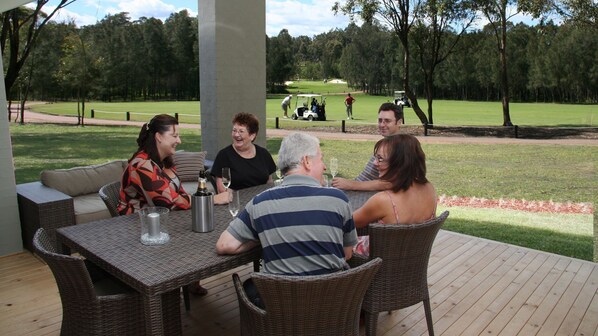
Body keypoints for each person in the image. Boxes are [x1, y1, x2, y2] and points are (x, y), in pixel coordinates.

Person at [216, 132, 357, 306]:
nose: (325, 167)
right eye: (321, 159)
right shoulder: (338, 199)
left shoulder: (260, 203)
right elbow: (347, 253)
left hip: (281, 308)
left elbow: (225, 245)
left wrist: (263, 234)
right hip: (331, 305)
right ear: (306, 161)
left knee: (250, 287)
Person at [117, 114, 230, 295]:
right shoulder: (142, 164)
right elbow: (168, 202)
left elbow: (180, 195)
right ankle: (170, 283)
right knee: (195, 234)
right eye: (175, 135)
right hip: (139, 225)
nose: (179, 140)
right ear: (159, 137)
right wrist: (212, 199)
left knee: (201, 231)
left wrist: (198, 201)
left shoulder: (165, 162)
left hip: (164, 217)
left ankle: (191, 278)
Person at [352, 134, 437, 256]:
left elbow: (348, 222)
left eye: (380, 159)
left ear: (399, 163)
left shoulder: (384, 200)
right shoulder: (429, 188)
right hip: (410, 257)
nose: (375, 163)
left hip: (375, 262)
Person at [331, 102, 403, 191]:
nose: (382, 125)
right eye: (380, 120)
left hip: (366, 195)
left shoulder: (402, 147)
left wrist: (351, 185)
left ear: (399, 122)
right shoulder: (385, 143)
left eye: (387, 121)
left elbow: (391, 183)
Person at [211, 112, 276, 193]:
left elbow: (269, 182)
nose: (236, 135)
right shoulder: (224, 156)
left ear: (252, 136)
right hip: (237, 202)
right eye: (234, 130)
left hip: (261, 201)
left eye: (241, 131)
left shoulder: (263, 154)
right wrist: (244, 197)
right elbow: (222, 189)